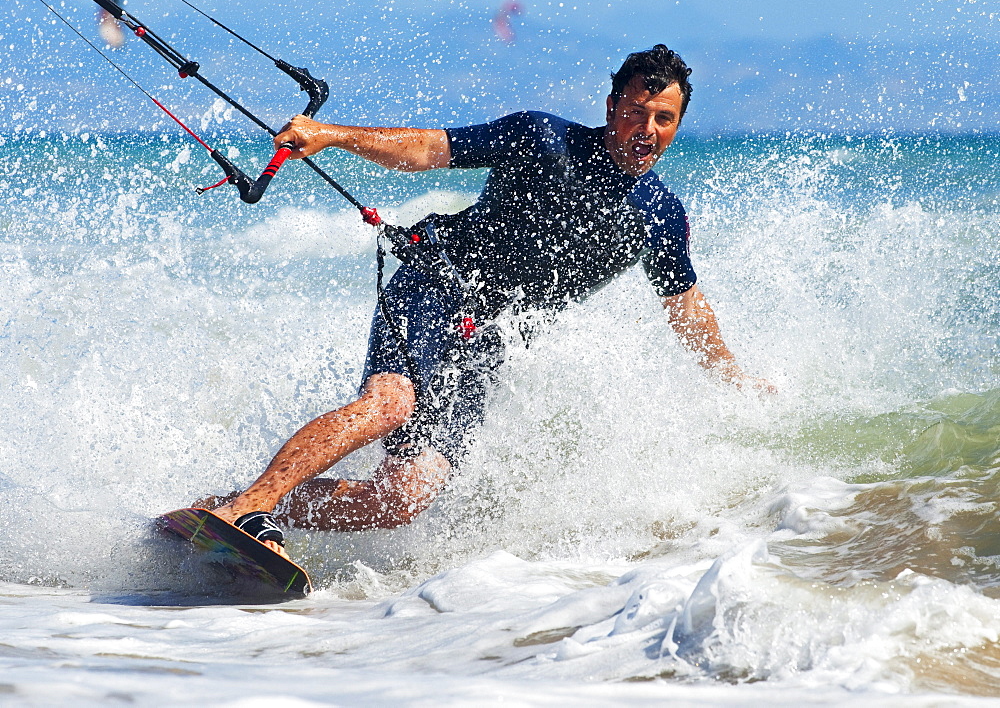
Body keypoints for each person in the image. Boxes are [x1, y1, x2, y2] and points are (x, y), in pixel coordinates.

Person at [204, 45, 774, 556]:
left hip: (484, 343)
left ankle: (232, 507)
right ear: (609, 107)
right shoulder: (540, 139)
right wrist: (334, 135)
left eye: (663, 118)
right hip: (436, 284)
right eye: (634, 111)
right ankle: (247, 509)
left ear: (676, 125)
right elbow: (429, 149)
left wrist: (732, 377)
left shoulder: (658, 216)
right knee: (390, 405)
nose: (645, 128)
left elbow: (688, 308)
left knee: (402, 498)